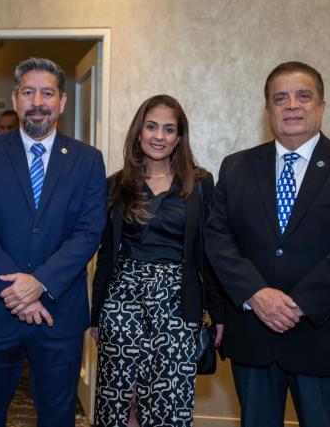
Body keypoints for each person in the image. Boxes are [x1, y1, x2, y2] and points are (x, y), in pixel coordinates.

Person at [205, 61, 330, 427]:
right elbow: (217, 237)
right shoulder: (235, 167)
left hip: (326, 339)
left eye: (303, 96)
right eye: (280, 98)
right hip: (254, 338)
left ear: (321, 105)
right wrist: (256, 293)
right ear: (267, 109)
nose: (292, 105)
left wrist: (298, 303)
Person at [0, 57, 107, 427]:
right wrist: (16, 290)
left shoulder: (88, 160)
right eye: (28, 92)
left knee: (58, 416)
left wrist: (39, 283)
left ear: (62, 101)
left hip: (59, 314)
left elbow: (89, 232)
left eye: (47, 93)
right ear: (15, 99)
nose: (37, 102)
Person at [90, 95, 224, 427]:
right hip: (121, 304)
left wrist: (218, 314)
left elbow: (209, 253)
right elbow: (106, 253)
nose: (159, 136)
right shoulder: (115, 185)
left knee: (169, 405)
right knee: (119, 402)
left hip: (178, 306)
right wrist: (95, 316)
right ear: (139, 133)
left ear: (179, 137)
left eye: (168, 129)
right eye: (151, 127)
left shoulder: (200, 184)